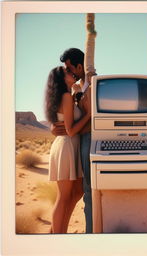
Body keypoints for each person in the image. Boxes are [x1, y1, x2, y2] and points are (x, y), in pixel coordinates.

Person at [51, 48, 96, 233]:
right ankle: (56, 236)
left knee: (77, 193)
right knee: (64, 196)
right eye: (65, 71)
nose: (68, 72)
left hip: (77, 144)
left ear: (79, 66)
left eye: (70, 69)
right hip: (69, 146)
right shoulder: (68, 93)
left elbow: (69, 119)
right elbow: (68, 125)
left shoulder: (83, 87)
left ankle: (57, 231)